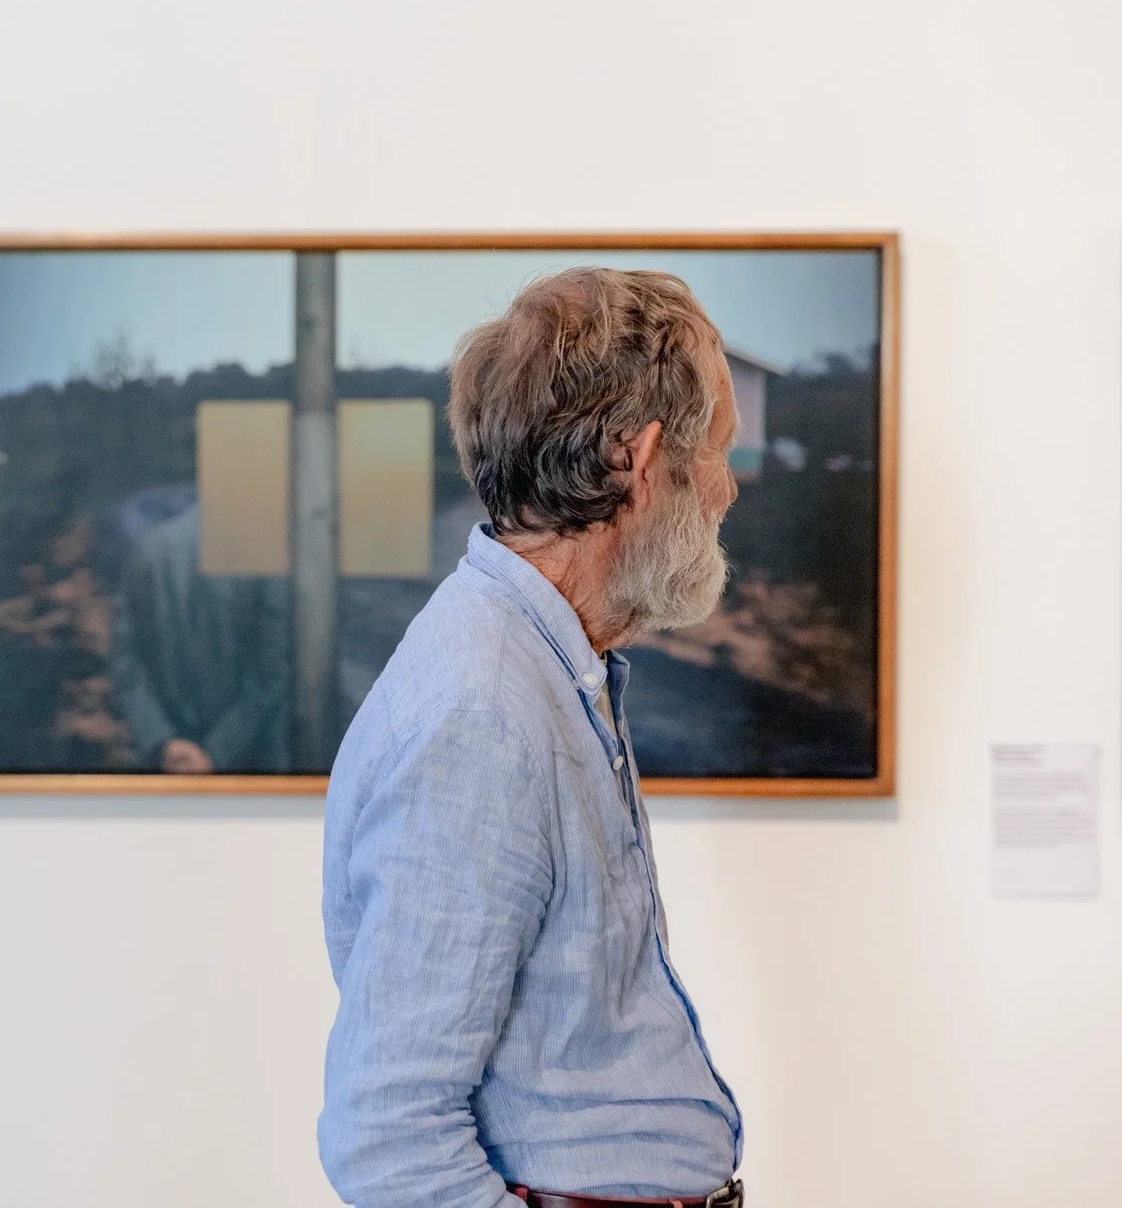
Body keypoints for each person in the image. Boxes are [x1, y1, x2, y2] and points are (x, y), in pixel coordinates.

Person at [319, 269, 746, 1208]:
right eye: (713, 452)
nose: (727, 488)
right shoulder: (484, 708)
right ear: (639, 458)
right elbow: (387, 1131)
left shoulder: (544, 660)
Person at [108, 501, 294, 774]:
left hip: (166, 767)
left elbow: (126, 661)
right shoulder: (264, 554)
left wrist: (163, 740)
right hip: (252, 773)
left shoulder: (149, 550)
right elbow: (274, 671)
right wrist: (217, 752)